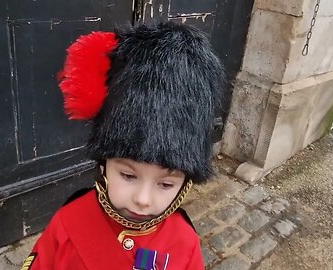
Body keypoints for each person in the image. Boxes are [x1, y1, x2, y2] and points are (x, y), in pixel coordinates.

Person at [21, 21, 226, 270]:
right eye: (128, 175)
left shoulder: (185, 243)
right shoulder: (68, 222)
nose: (142, 199)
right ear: (104, 164)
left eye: (166, 183)